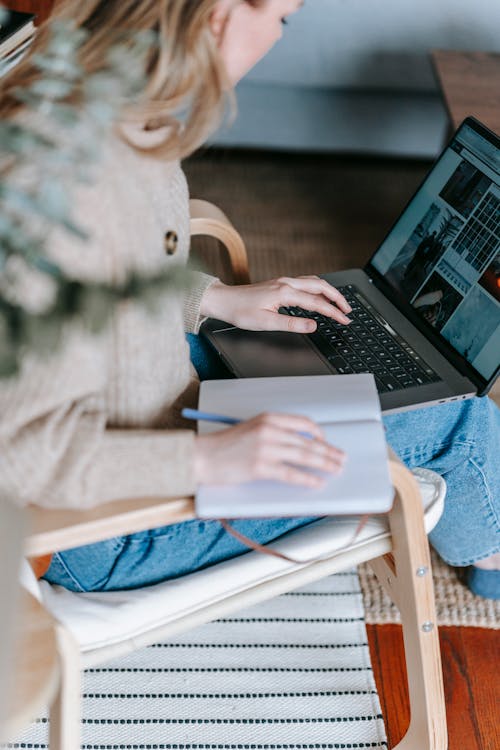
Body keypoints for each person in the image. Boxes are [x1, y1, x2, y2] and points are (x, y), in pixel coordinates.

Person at [0, 0, 498, 600]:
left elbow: (101, 276)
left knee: (333, 351)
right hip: (101, 527)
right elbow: (17, 453)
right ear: (221, 15)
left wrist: (215, 301)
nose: (277, 37)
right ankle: (491, 559)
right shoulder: (67, 181)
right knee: (464, 425)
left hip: (156, 404)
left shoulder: (102, 114)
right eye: (282, 17)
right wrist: (213, 460)